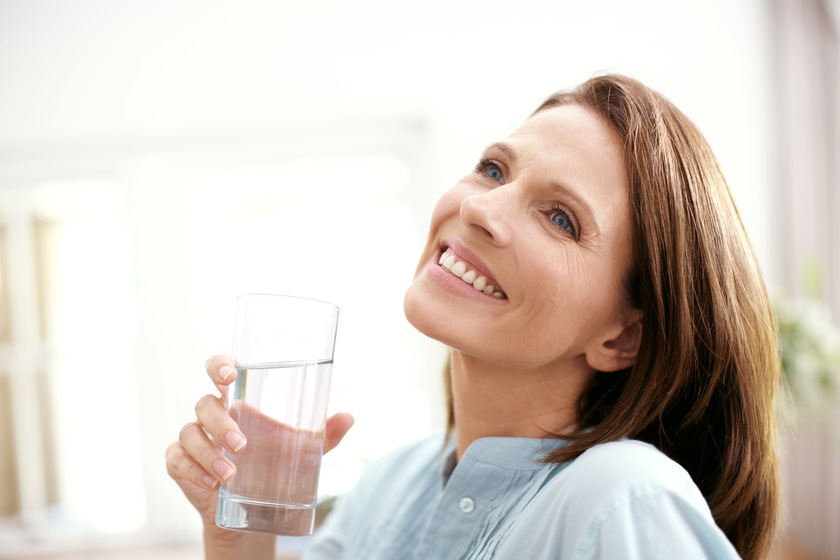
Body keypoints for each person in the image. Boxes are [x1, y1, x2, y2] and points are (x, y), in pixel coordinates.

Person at [166, 74, 781, 560]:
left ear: (623, 336)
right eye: (493, 169)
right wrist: (236, 540)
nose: (484, 207)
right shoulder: (386, 488)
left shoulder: (622, 500)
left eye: (560, 217)